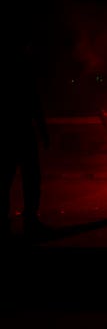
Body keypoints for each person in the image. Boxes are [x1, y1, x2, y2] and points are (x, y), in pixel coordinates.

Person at [1, 38, 50, 239]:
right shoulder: (22, 66)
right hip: (20, 129)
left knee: (6, 178)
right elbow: (34, 100)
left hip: (8, 130)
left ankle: (5, 222)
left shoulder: (11, 64)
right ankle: (30, 220)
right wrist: (42, 130)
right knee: (30, 177)